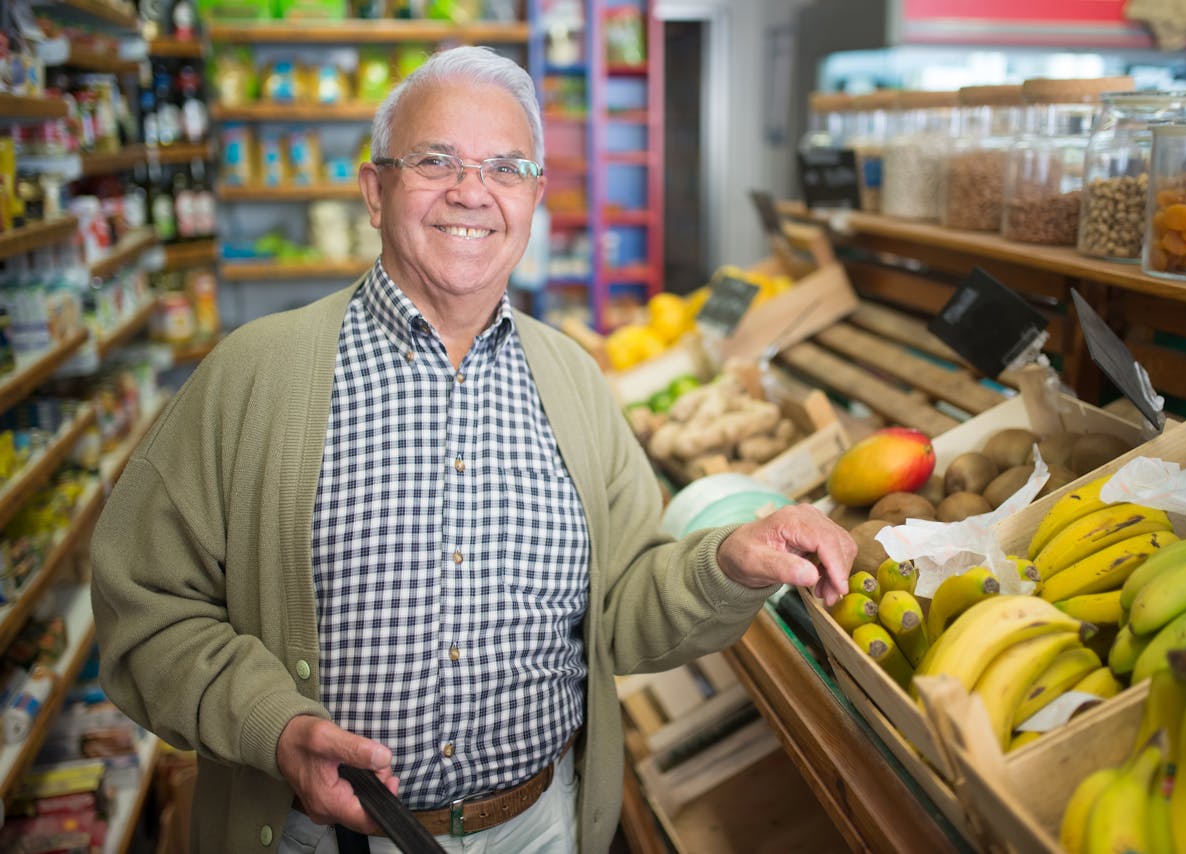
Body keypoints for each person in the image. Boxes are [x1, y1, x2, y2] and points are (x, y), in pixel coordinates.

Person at [89, 45, 855, 854]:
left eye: (506, 167)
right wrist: (271, 725)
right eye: (435, 160)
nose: (471, 192)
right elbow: (144, 607)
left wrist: (725, 564)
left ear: (532, 200)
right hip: (317, 839)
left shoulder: (573, 381)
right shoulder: (254, 374)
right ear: (375, 190)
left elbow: (623, 610)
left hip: (539, 827)